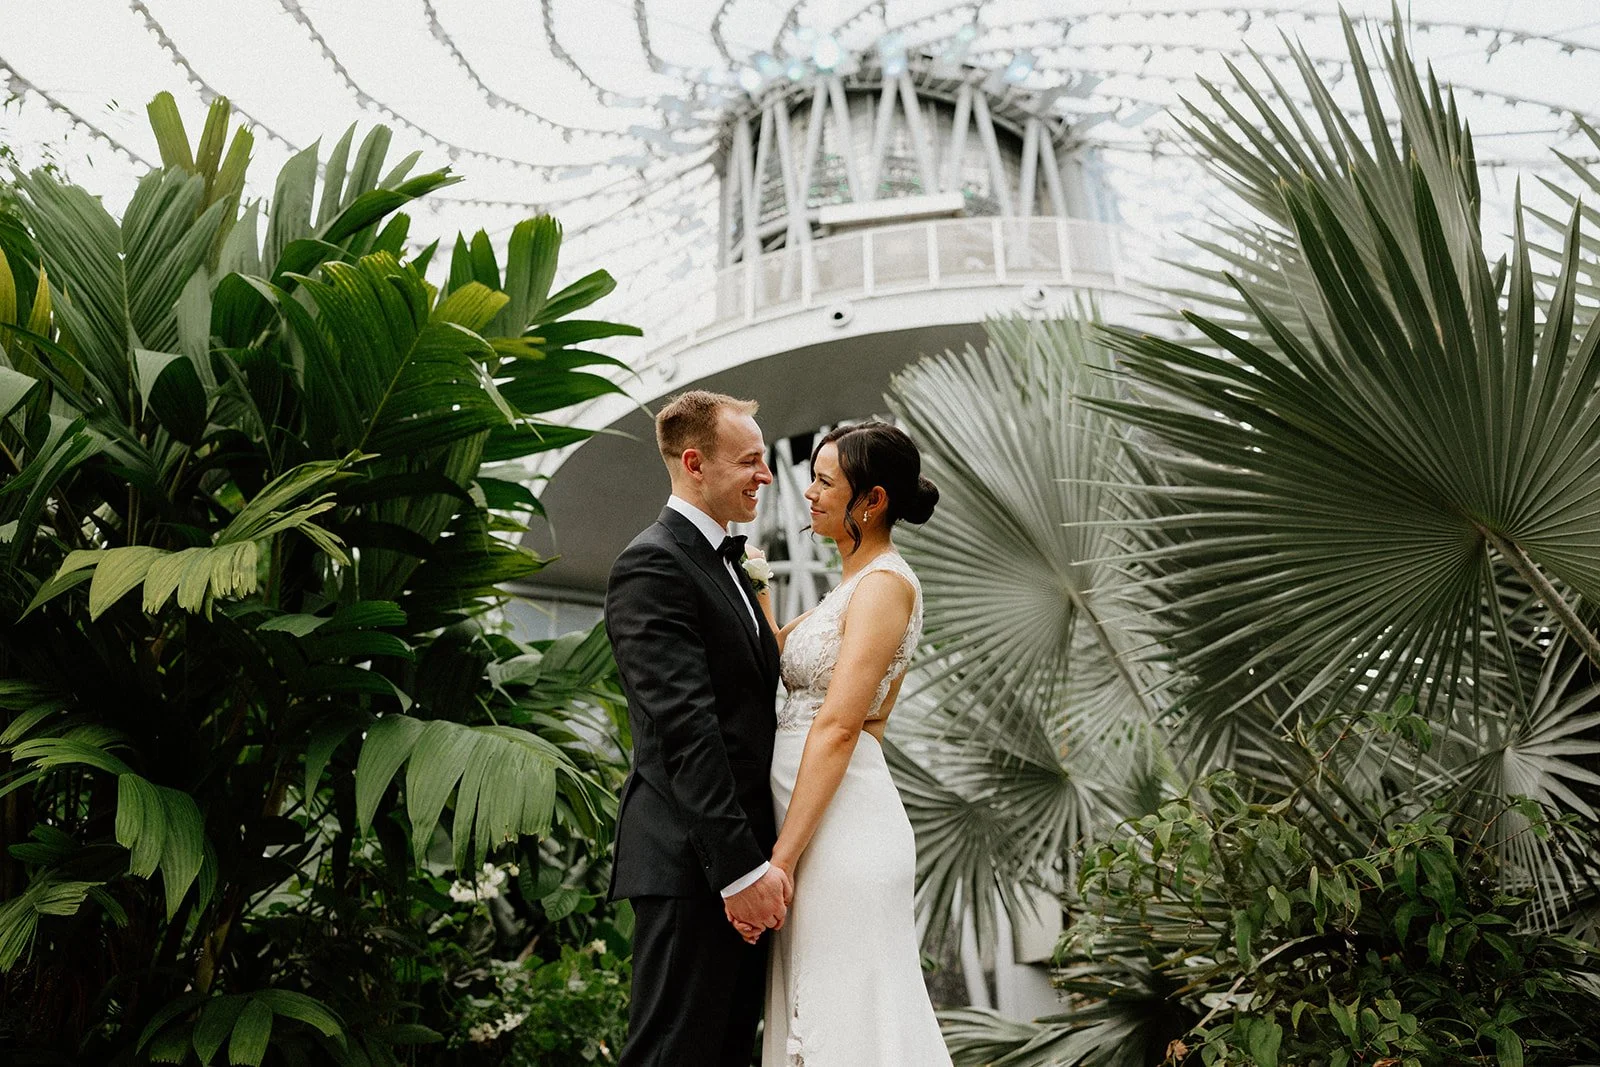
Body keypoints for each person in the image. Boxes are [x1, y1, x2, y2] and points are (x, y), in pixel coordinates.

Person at [740, 420, 952, 1067]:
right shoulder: (849, 590)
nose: (809, 492)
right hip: (812, 827)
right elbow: (772, 654)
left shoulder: (887, 585)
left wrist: (780, 858)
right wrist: (752, 585)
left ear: (874, 500)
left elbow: (840, 725)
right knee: (813, 1014)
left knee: (846, 1020)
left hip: (841, 831)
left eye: (827, 480)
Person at [604, 389, 793, 1067]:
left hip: (736, 862)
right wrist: (740, 870)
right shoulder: (652, 565)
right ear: (694, 462)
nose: (766, 475)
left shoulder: (734, 566)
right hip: (692, 864)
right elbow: (686, 729)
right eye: (750, 461)